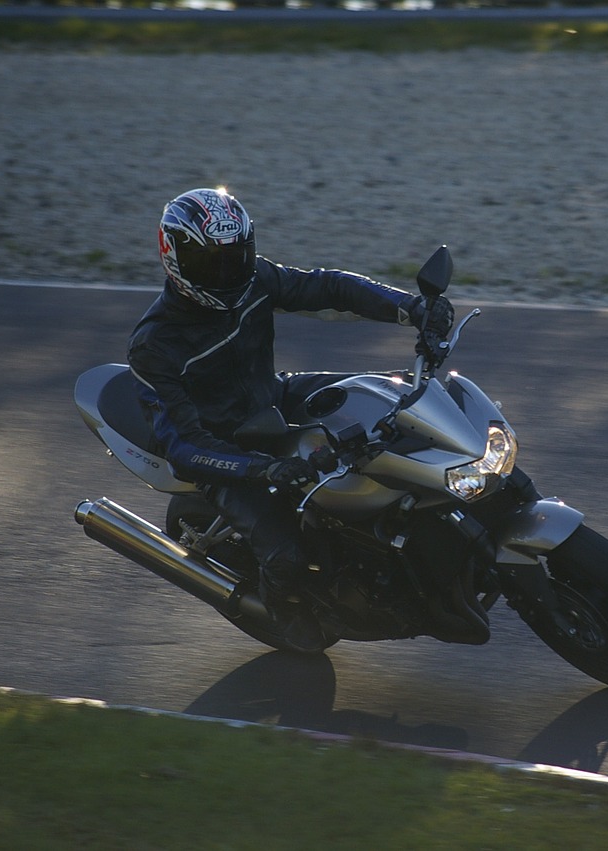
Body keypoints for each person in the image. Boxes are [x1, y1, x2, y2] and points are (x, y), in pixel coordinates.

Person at [127, 187, 453, 649]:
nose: (227, 273)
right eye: (210, 263)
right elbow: (183, 447)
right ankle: (280, 613)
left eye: (236, 257)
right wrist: (262, 468)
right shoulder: (155, 345)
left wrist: (412, 308)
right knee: (287, 558)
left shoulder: (255, 278)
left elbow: (330, 286)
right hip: (224, 447)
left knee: (387, 395)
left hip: (273, 394)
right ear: (174, 258)